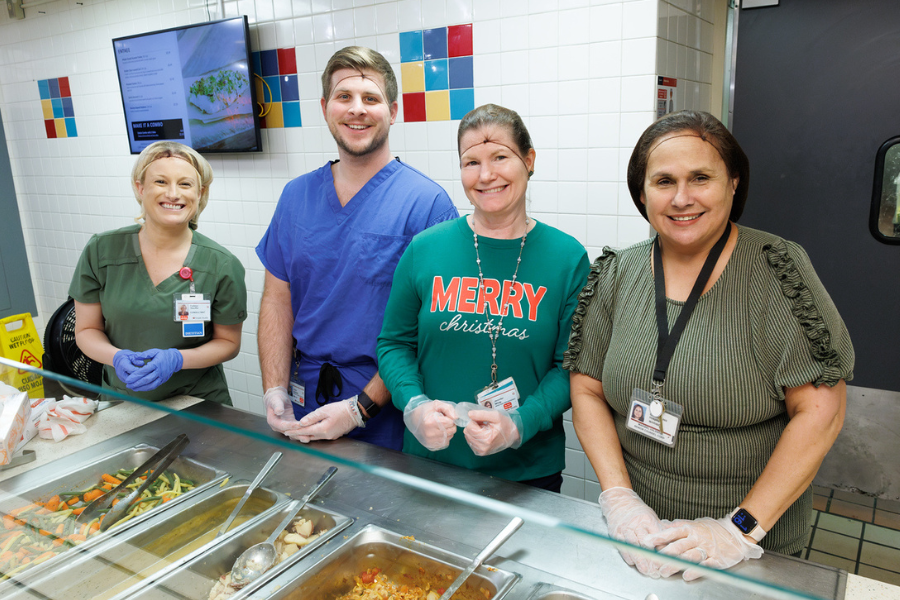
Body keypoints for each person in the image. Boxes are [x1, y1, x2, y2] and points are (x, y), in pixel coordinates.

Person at [564, 110, 853, 579]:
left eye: (701, 177)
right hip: (640, 535)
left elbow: (822, 413)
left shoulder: (778, 271)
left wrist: (738, 530)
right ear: (642, 193)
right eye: (664, 181)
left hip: (750, 543)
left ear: (733, 183)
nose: (682, 198)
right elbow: (587, 389)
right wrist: (618, 499)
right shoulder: (618, 272)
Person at [377, 104, 590, 491]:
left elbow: (570, 367)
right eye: (471, 162)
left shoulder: (567, 258)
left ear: (529, 160)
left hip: (527, 472)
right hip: (430, 463)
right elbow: (394, 344)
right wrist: (413, 404)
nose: (486, 175)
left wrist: (520, 424)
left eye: (500, 157)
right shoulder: (425, 250)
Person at [257, 46, 458, 450]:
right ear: (324, 107)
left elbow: (430, 331)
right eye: (344, 96)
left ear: (393, 111)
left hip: (388, 412)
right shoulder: (295, 197)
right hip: (305, 401)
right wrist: (275, 388)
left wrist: (359, 408)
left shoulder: (427, 205)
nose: (357, 109)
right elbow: (277, 299)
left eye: (371, 98)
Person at [70, 141, 247, 405]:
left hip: (197, 404)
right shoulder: (101, 251)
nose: (173, 194)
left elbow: (228, 342)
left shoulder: (221, 265)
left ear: (200, 192)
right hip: (123, 402)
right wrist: (116, 357)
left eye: (185, 184)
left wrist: (177, 360)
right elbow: (86, 329)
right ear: (140, 188)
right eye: (161, 182)